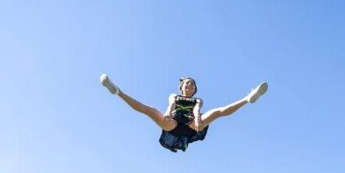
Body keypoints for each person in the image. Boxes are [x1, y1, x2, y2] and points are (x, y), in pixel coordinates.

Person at [100, 74, 269, 152]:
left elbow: (196, 109)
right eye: (186, 84)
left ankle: (248, 98)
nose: (189, 86)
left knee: (217, 112)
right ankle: (117, 91)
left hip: (191, 124)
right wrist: (167, 113)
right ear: (181, 87)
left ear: (195, 90)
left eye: (192, 85)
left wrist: (198, 120)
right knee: (149, 110)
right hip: (172, 123)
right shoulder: (174, 95)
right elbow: (171, 103)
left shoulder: (197, 100)